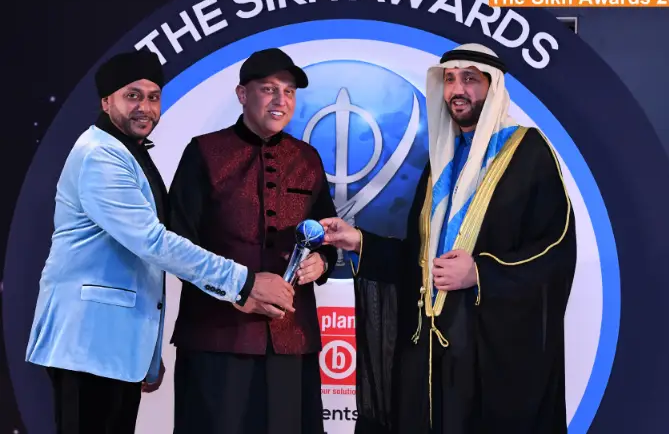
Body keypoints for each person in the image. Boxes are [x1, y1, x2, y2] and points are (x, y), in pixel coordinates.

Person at [25, 50, 294, 434]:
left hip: (113, 349)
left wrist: (147, 354)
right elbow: (153, 242)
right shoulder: (100, 156)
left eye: (153, 97)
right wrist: (245, 282)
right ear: (106, 102)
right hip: (87, 345)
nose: (146, 108)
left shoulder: (126, 152)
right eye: (132, 96)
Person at [321, 43, 577, 434]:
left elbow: (554, 250)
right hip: (427, 350)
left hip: (488, 350)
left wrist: (480, 273)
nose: (458, 90)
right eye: (450, 79)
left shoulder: (529, 153)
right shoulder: (441, 161)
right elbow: (418, 259)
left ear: (493, 88)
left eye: (470, 79)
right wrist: (359, 242)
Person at [168, 47, 338, 434]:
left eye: (289, 91)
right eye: (269, 89)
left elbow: (326, 234)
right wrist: (236, 289)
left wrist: (323, 262)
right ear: (242, 94)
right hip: (216, 336)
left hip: (292, 339)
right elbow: (177, 242)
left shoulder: (308, 158)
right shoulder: (204, 152)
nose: (281, 100)